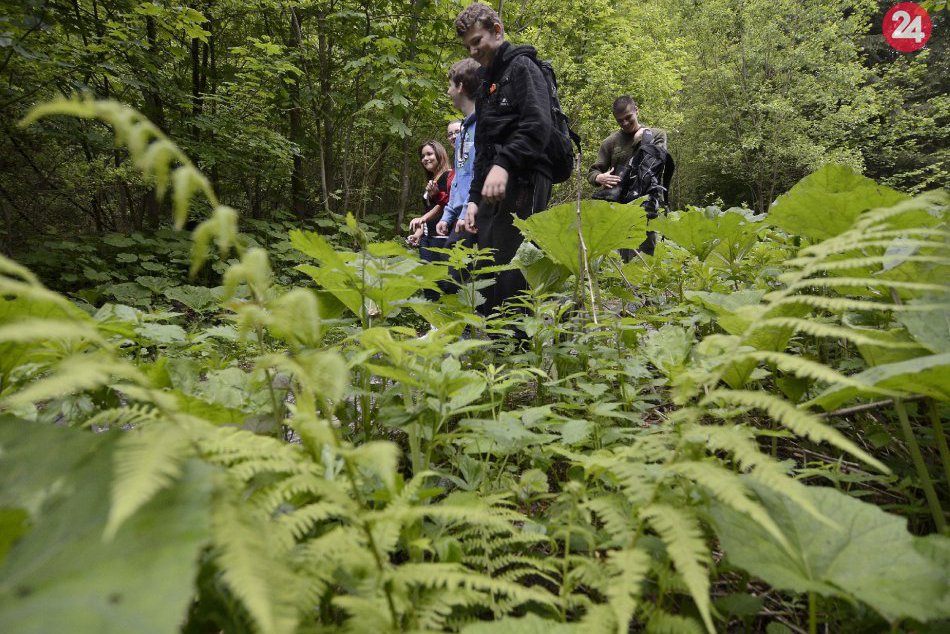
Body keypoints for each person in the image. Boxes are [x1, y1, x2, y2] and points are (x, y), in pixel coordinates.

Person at [455, 2, 553, 318]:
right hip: (492, 183)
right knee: (484, 260)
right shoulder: (485, 84)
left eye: (477, 41)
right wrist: (471, 199)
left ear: (496, 31)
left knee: (515, 266)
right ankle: (490, 345)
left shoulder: (523, 67)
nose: (472, 51)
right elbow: (483, 145)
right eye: (467, 45)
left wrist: (505, 164)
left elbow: (538, 125)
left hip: (525, 177)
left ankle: (516, 351)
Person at [588, 95, 668, 258]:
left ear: (636, 111)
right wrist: (599, 178)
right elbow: (592, 172)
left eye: (628, 118)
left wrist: (642, 141)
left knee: (646, 253)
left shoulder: (657, 134)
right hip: (618, 207)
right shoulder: (610, 142)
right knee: (623, 254)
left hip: (646, 203)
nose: (625, 123)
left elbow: (656, 161)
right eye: (620, 121)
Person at [437, 59, 479, 242]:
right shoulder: (463, 133)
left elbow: (475, 174)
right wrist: (447, 216)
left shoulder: (482, 126)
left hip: (472, 214)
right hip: (460, 215)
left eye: (450, 86)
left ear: (460, 86)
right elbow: (459, 179)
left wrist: (464, 213)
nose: (448, 91)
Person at [407, 140, 454, 300]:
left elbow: (445, 204)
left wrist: (422, 218)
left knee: (443, 282)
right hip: (426, 238)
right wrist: (418, 233)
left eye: (429, 154)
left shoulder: (449, 176)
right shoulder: (431, 180)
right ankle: (433, 322)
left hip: (441, 238)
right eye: (423, 156)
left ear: (439, 154)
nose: (425, 158)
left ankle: (446, 321)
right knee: (428, 283)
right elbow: (428, 211)